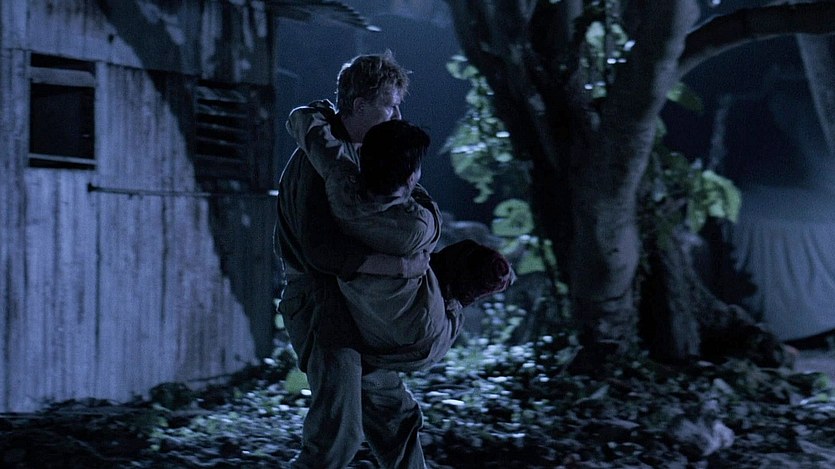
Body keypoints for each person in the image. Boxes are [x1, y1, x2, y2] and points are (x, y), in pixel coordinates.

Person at [274, 52, 429, 469]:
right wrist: (401, 267)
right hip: (322, 305)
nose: (397, 116)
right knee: (337, 437)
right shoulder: (318, 164)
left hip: (354, 304)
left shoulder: (358, 156)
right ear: (360, 106)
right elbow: (322, 253)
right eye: (389, 106)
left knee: (396, 418)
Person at [286, 110, 514, 371]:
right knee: (485, 267)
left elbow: (301, 121)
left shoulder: (341, 190)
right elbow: (427, 210)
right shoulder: (416, 228)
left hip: (376, 325)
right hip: (421, 338)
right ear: (410, 178)